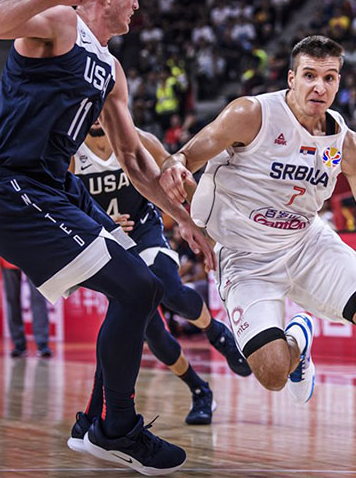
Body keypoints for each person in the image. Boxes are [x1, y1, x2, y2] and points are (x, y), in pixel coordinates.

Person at [160, 36, 356, 466]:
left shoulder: (348, 146)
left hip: (307, 243)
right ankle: (299, 338)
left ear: (339, 82)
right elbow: (188, 154)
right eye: (310, 76)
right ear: (292, 79)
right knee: (273, 373)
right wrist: (176, 165)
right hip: (245, 256)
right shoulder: (251, 115)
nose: (319, 86)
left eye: (329, 77)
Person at [0, 0, 214, 475]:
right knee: (137, 288)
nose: (138, 4)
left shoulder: (110, 67)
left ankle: (93, 423)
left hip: (56, 189)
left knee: (142, 283)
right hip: (13, 188)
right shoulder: (59, 24)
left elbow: (132, 161)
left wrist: (184, 219)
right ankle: (117, 428)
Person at [67, 119, 250, 434]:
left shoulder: (135, 139)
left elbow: (173, 170)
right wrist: (97, 222)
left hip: (145, 232)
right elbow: (61, 201)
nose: (96, 117)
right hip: (108, 242)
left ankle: (216, 332)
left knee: (169, 289)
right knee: (150, 332)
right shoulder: (70, 152)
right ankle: (199, 389)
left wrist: (191, 215)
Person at [0, 249, 52, 358]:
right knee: (12, 299)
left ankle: (42, 344)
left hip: (32, 253)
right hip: (7, 253)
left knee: (38, 298)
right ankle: (19, 345)